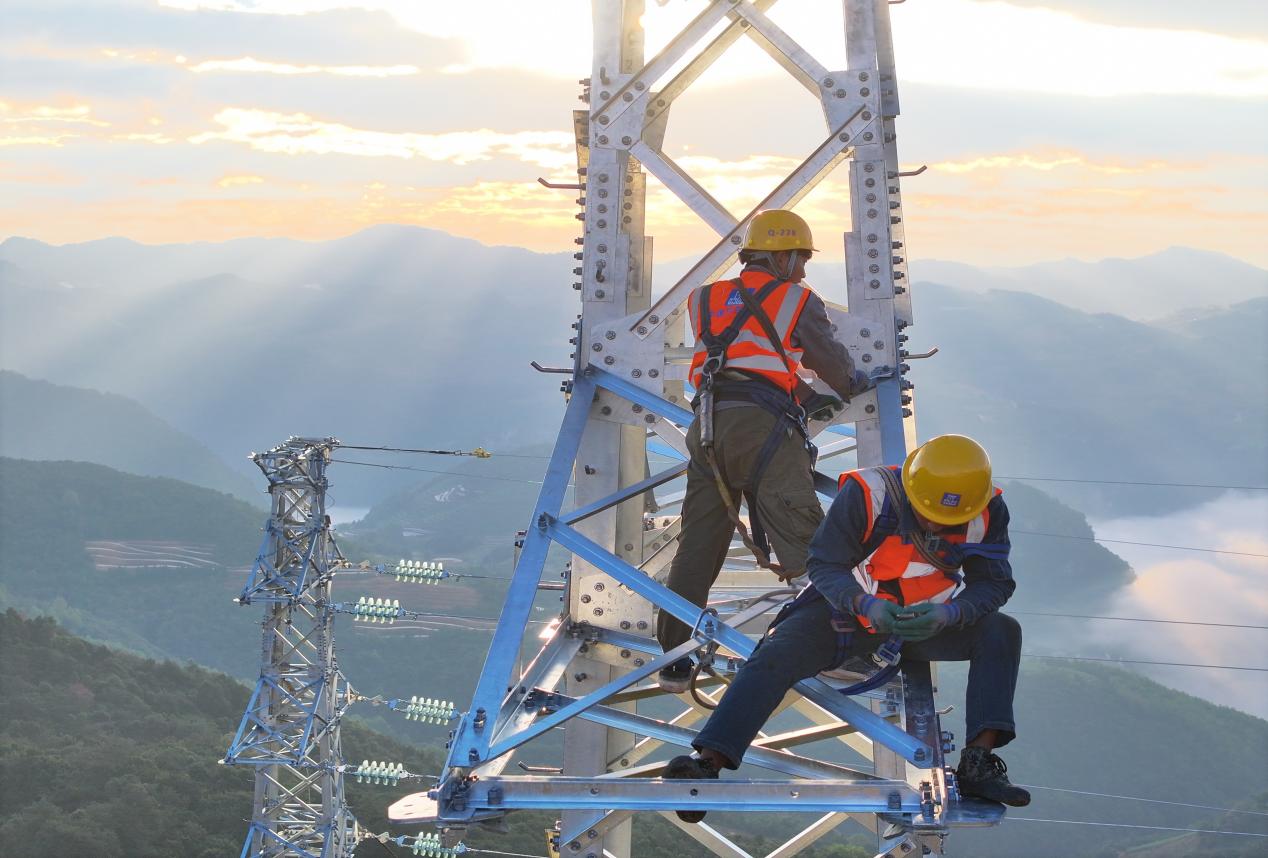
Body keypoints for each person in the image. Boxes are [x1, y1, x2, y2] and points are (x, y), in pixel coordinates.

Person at [663, 434, 1031, 821]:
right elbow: (824, 565)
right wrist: (864, 605)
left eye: (949, 520)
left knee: (1001, 632)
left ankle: (978, 762)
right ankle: (708, 760)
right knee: (777, 652)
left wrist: (950, 615)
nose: (938, 525)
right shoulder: (870, 495)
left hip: (923, 622)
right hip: (844, 614)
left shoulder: (986, 510)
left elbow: (994, 582)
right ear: (912, 489)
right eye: (928, 515)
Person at [657, 209, 870, 693]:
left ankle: (674, 657)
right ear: (781, 256)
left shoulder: (704, 299)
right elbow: (829, 361)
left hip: (709, 425)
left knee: (698, 545)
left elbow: (744, 356)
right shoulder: (796, 300)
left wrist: (806, 397)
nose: (803, 270)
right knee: (809, 539)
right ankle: (836, 650)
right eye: (799, 260)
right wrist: (852, 383)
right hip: (762, 428)